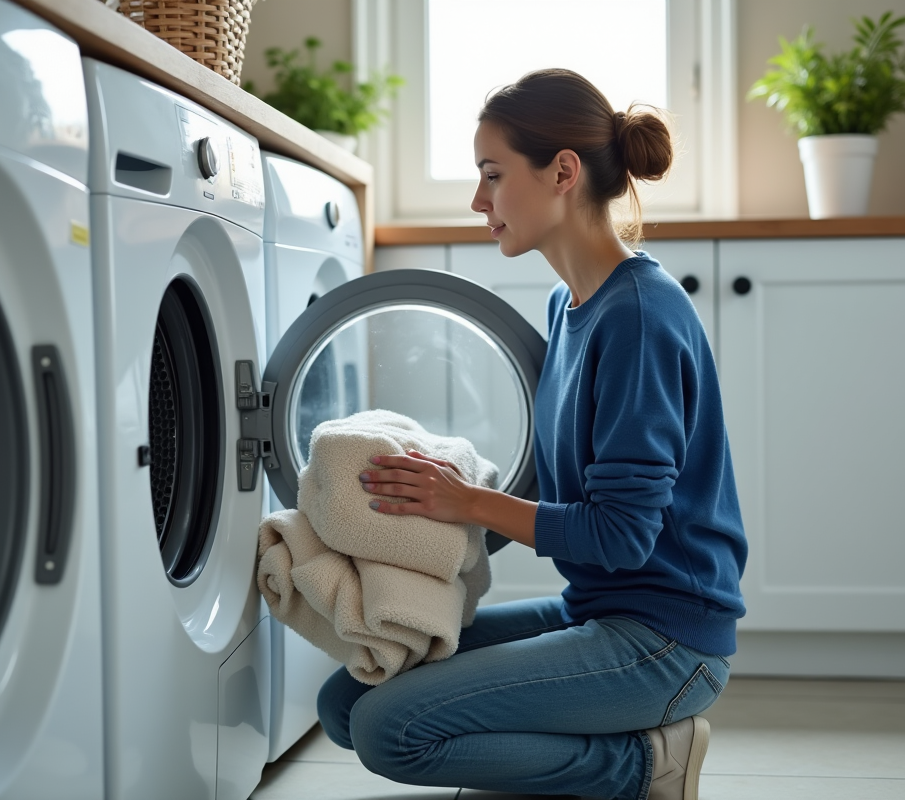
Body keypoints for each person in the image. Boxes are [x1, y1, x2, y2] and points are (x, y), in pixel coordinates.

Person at [316, 68, 747, 800]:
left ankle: (644, 765)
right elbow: (561, 479)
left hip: (665, 643)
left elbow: (621, 536)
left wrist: (467, 506)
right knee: (348, 701)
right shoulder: (569, 302)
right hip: (599, 610)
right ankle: (603, 730)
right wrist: (435, 491)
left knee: (391, 730)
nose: (478, 200)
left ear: (563, 173)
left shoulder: (639, 317)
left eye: (492, 174)